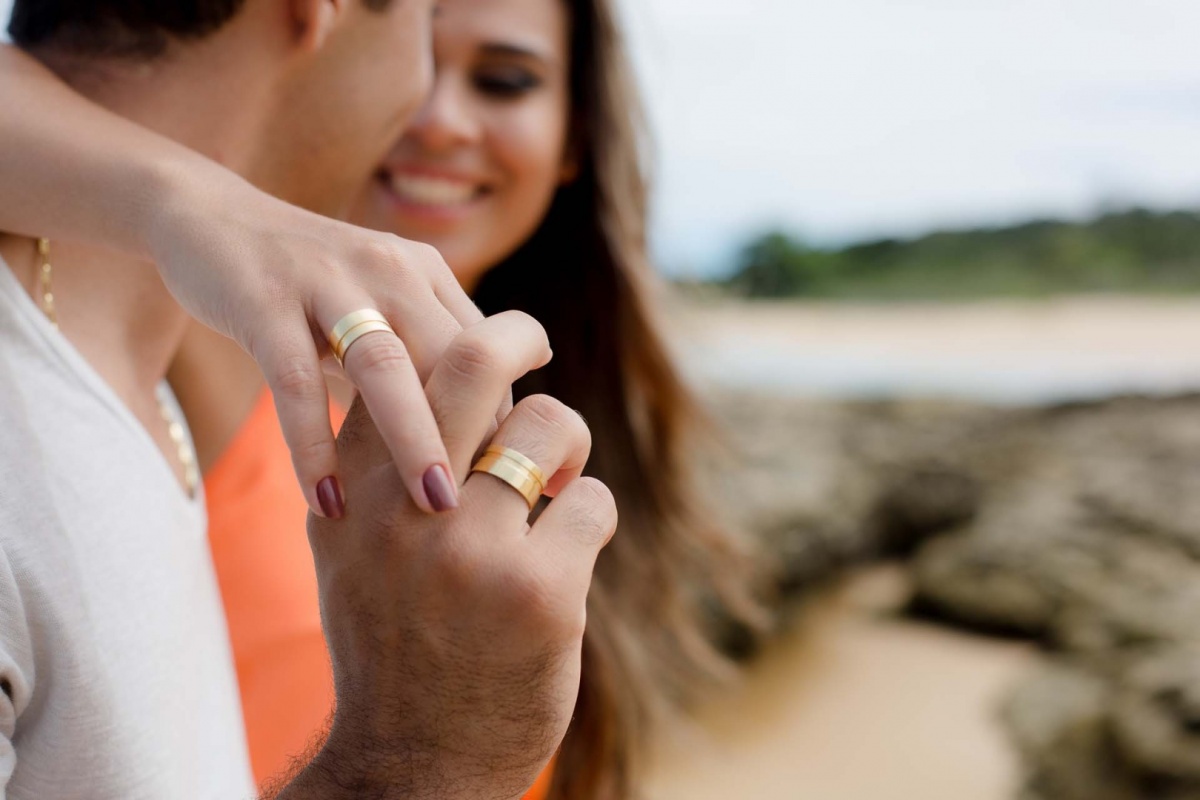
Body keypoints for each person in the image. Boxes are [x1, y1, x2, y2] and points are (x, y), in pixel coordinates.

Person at [0, 0, 763, 796]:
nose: (436, 115)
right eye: (424, 31)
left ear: (575, 135)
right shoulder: (220, 338)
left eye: (504, 80)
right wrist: (197, 203)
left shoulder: (571, 408)